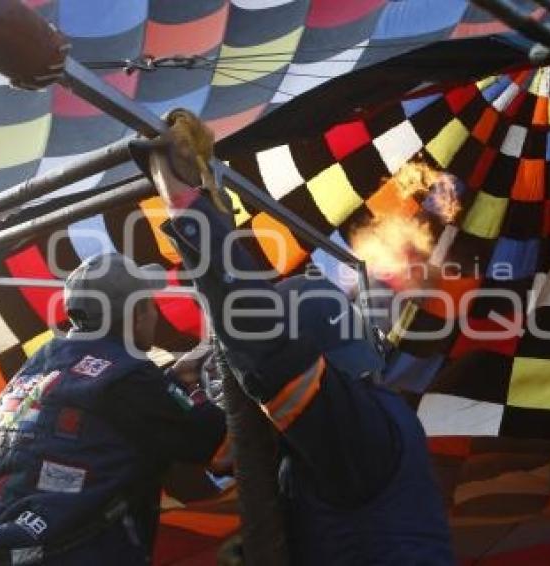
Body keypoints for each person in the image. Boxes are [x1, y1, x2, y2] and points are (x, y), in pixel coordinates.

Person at [132, 110, 454, 564]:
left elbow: (261, 341)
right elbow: (223, 448)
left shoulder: (350, 422)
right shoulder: (354, 424)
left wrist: (188, 206)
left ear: (314, 355)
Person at [0, 252, 226, 565]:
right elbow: (209, 439)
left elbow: (103, 413)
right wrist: (193, 390)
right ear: (137, 313)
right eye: (150, 303)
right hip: (73, 554)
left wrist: (172, 384)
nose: (155, 313)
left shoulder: (36, 364)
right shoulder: (129, 375)